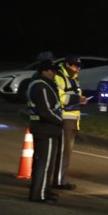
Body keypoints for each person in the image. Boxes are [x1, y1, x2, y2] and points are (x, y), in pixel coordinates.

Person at [27, 59, 63, 204]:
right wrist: (61, 121)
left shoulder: (41, 85)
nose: (54, 74)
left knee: (44, 163)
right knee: (44, 163)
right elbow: (46, 111)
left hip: (43, 127)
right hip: (45, 128)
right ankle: (39, 194)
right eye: (52, 71)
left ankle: (43, 191)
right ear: (44, 71)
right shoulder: (41, 87)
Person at [53, 54, 88, 190]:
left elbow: (73, 96)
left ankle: (61, 180)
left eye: (79, 66)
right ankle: (59, 182)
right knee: (64, 152)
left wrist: (81, 100)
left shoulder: (74, 78)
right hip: (65, 118)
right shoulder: (60, 77)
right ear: (67, 64)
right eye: (75, 66)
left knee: (66, 152)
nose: (77, 69)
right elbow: (60, 98)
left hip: (73, 119)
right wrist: (78, 99)